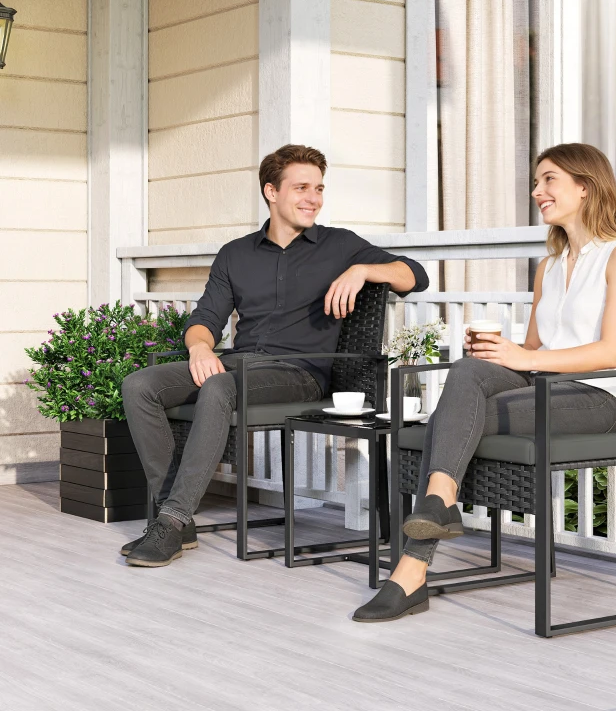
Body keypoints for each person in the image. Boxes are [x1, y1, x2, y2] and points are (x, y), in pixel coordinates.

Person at [353, 142, 616, 622]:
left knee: (448, 420)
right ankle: (430, 525)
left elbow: (610, 351)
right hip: (545, 388)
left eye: (548, 180)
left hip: (595, 396)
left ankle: (414, 562)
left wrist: (519, 356)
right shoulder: (549, 267)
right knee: (467, 373)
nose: (537, 191)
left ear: (585, 186)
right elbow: (533, 350)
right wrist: (499, 355)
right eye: (537, 182)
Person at [121, 144, 429, 567]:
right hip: (240, 361)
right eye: (301, 187)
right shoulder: (236, 253)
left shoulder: (340, 246)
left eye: (318, 189)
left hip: (299, 372)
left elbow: (416, 275)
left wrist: (362, 270)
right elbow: (205, 316)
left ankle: (171, 521)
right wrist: (199, 347)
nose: (313, 198)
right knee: (140, 385)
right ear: (271, 191)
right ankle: (173, 515)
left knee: (219, 386)